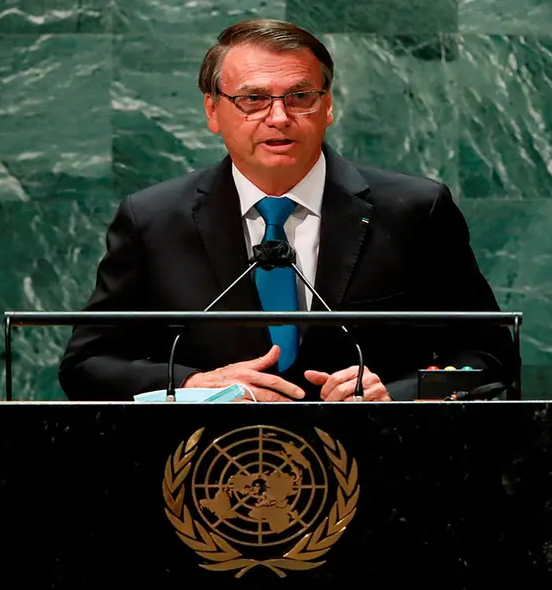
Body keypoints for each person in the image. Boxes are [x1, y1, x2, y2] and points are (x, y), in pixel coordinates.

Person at [58, 18, 516, 402]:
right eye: (253, 99)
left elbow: (491, 358)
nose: (279, 117)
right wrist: (195, 384)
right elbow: (86, 365)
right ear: (213, 111)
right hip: (209, 470)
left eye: (300, 97)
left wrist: (395, 393)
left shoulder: (413, 210)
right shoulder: (153, 219)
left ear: (328, 105)